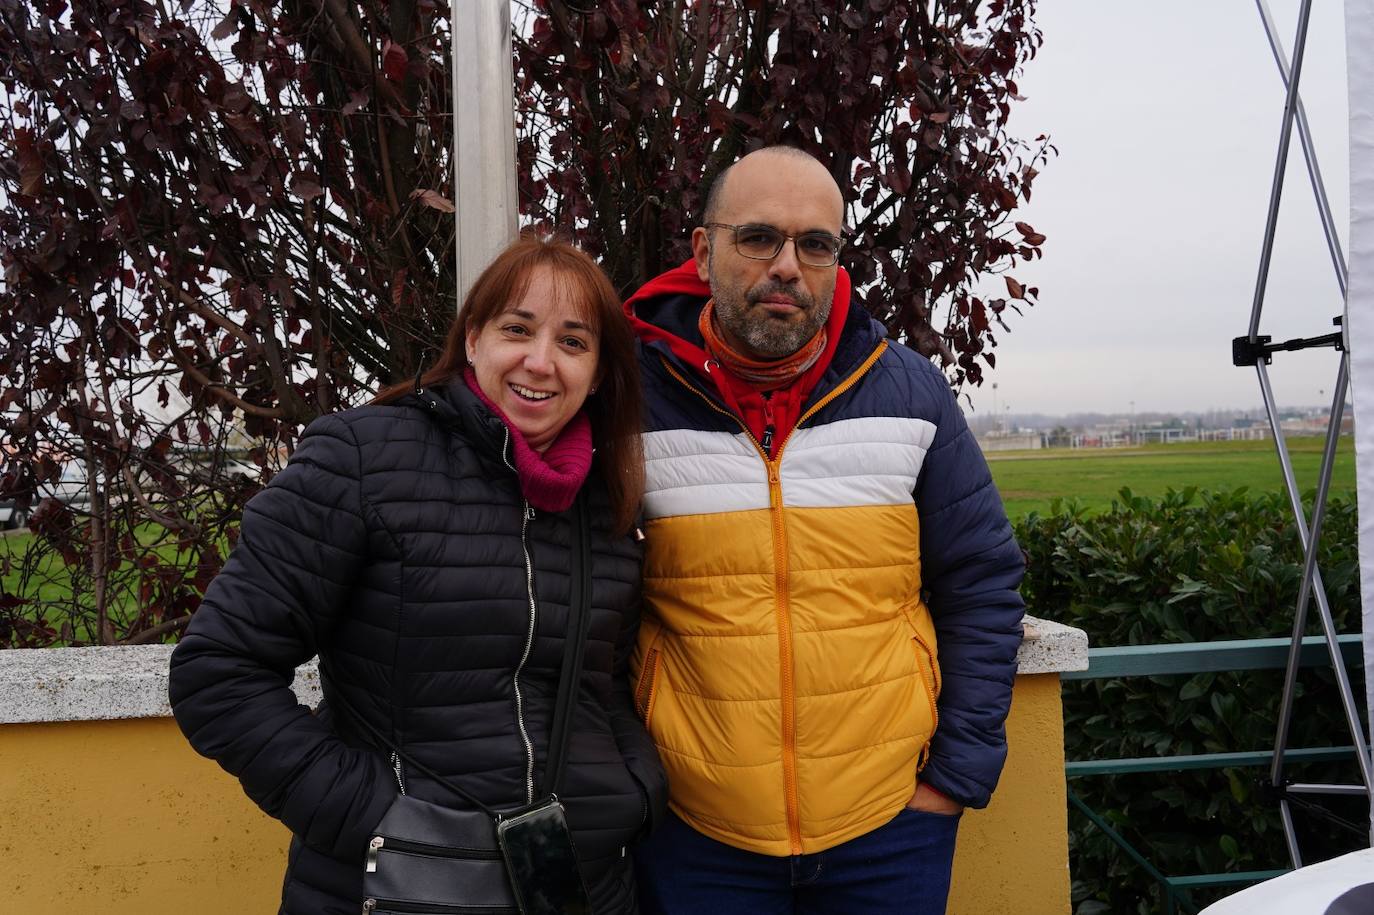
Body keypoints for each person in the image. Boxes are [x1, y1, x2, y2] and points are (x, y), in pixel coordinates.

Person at [169, 234, 667, 915]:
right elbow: (219, 672)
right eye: (517, 329)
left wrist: (632, 788)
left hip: (579, 886)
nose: (540, 361)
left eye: (573, 342)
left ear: (601, 369)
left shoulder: (608, 501)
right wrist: (372, 817)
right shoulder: (364, 456)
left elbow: (602, 687)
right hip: (398, 887)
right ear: (471, 341)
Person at [623, 146, 1026, 914]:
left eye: (816, 244)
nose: (788, 265)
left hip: (889, 833)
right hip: (694, 834)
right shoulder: (634, 397)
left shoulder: (908, 390)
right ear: (703, 251)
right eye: (758, 237)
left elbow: (982, 579)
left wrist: (954, 777)